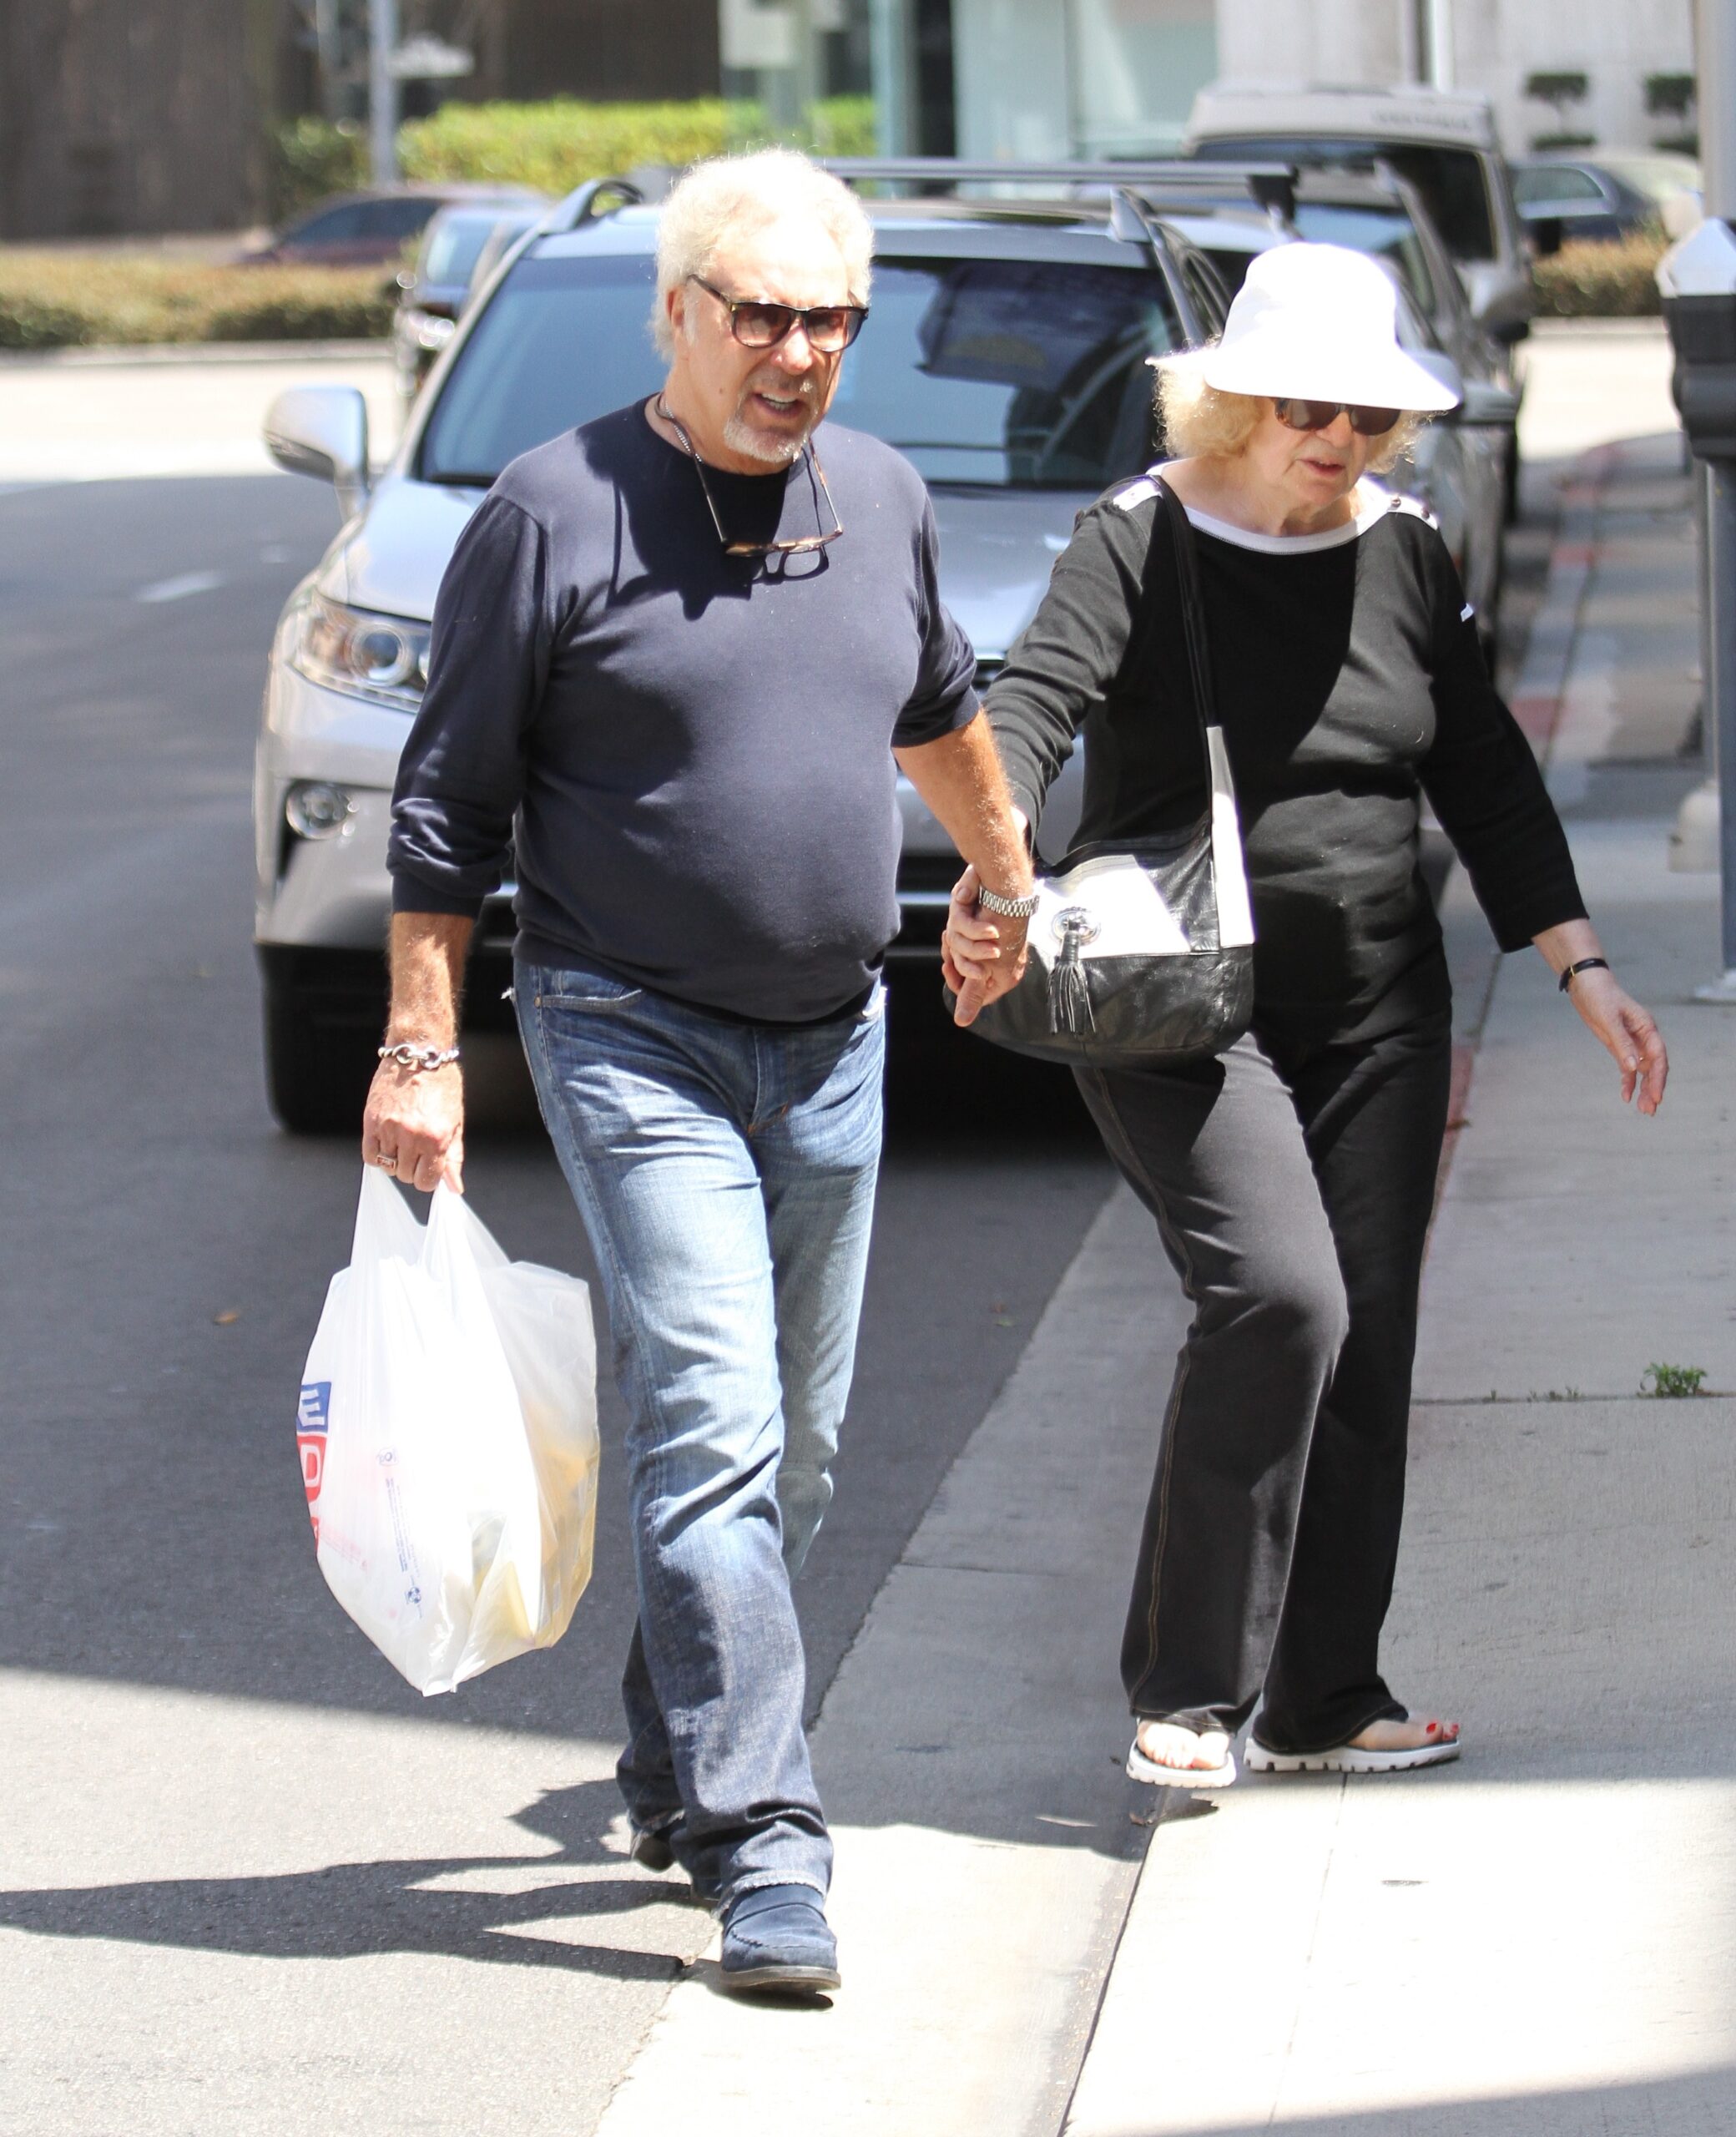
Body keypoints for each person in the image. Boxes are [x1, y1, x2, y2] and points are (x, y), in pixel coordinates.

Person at [364, 148, 1033, 1991]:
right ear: (677, 312)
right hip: (625, 1025)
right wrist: (421, 1044)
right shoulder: (550, 511)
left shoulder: (880, 494)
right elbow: (445, 805)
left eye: (832, 319)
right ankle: (766, 1840)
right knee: (718, 1422)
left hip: (836, 1036)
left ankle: (672, 1758)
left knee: (789, 1452)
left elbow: (940, 708)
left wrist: (1003, 882)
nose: (797, 353)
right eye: (761, 315)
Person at [946, 243, 1668, 1790]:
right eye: (1304, 408)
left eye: (1367, 414)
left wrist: (1582, 965)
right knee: (1283, 1302)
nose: (1338, 439)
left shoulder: (1404, 551)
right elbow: (1030, 707)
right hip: (1181, 1006)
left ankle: (1324, 1697)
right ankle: (1188, 1694)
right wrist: (996, 875)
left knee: (1372, 1340)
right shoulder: (1140, 538)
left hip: (1380, 1008)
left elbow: (1482, 766)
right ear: (1232, 402)